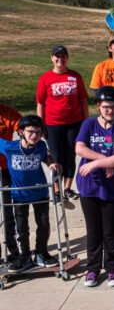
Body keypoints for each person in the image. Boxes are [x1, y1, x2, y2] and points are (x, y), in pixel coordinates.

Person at [75, 86, 114, 287]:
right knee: (93, 231)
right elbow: (79, 147)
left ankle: (112, 270)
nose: (110, 111)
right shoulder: (89, 124)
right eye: (106, 107)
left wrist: (98, 163)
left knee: (110, 231)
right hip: (89, 186)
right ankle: (92, 270)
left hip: (112, 188)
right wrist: (105, 159)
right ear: (98, 106)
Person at [0, 115, 61, 272]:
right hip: (18, 195)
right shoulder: (9, 147)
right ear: (21, 132)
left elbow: (46, 157)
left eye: (38, 132)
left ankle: (41, 253)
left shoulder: (40, 146)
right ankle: (24, 256)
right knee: (21, 228)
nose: (35, 136)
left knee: (43, 225)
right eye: (31, 132)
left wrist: (51, 163)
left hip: (39, 192)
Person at [37, 45, 88, 202]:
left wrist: (86, 123)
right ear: (52, 58)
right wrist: (41, 125)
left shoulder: (75, 76)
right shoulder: (45, 78)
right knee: (56, 157)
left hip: (74, 123)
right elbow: (40, 104)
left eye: (63, 56)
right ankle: (57, 190)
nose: (60, 59)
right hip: (53, 124)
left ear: (67, 58)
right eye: (57, 56)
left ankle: (67, 188)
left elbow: (83, 101)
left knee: (70, 155)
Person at [0, 103, 21, 265]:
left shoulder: (7, 112)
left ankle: (14, 251)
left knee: (10, 210)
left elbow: (25, 129)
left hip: (6, 168)